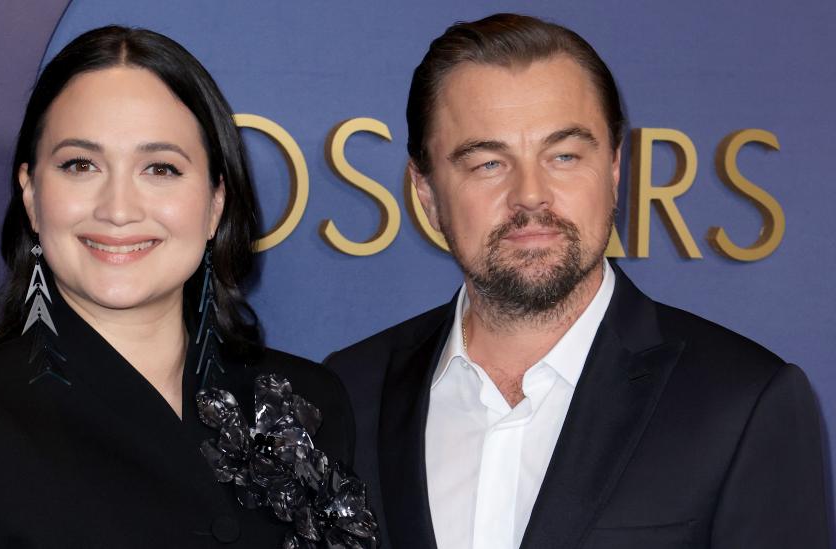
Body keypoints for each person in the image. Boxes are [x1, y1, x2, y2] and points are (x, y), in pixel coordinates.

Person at [326, 13, 829, 549]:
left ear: (613, 170)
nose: (531, 195)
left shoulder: (742, 404)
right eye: (489, 163)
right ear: (425, 191)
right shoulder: (347, 395)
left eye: (564, 156)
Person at [0, 26, 365, 548]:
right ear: (31, 196)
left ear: (216, 204)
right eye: (81, 165)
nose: (119, 209)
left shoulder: (307, 401)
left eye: (160, 168)